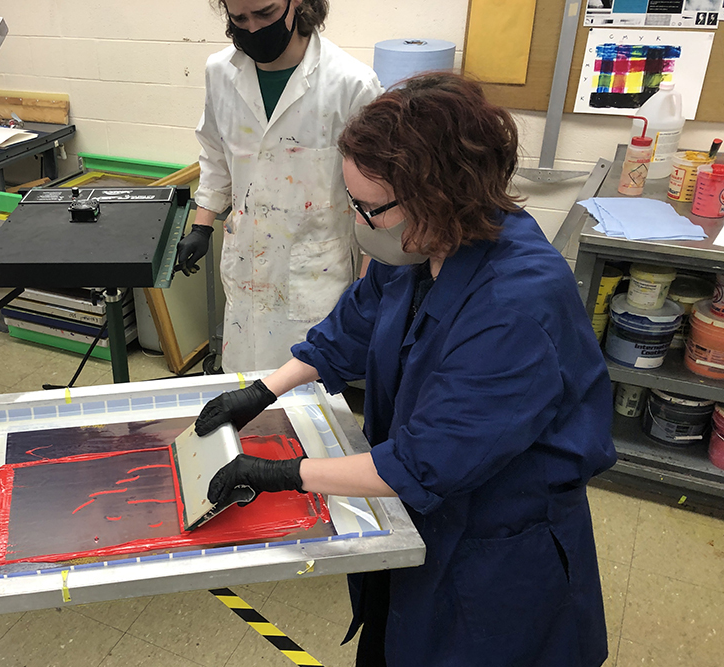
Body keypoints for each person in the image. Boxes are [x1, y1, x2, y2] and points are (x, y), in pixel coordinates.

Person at [194, 73, 618, 666]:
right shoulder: (422, 246)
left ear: (441, 194)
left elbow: (429, 458)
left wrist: (283, 474)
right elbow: (352, 326)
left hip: (496, 546)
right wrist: (262, 390)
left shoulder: (516, 307)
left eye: (369, 209)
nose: (359, 223)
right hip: (425, 518)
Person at [175, 0, 383, 372]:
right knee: (242, 381)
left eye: (265, 13)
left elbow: (376, 195)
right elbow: (216, 155)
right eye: (239, 18)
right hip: (247, 266)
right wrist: (202, 225)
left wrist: (368, 284)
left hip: (314, 273)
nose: (252, 29)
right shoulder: (221, 72)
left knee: (305, 393)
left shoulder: (351, 84)